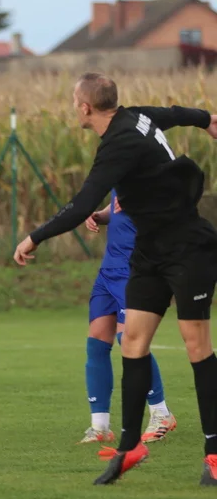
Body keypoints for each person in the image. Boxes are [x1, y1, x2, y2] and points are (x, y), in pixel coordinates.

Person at [12, 72, 217, 486]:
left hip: (186, 249)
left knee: (197, 346)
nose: (74, 108)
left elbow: (81, 203)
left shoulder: (118, 143)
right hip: (149, 252)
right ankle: (129, 447)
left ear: (85, 108)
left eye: (75, 102)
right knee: (134, 343)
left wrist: (34, 237)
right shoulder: (136, 117)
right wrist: (207, 118)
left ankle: (214, 453)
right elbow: (172, 113)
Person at [80, 190, 176, 445]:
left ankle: (161, 413)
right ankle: (99, 426)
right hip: (108, 269)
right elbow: (118, 207)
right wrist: (101, 215)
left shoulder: (151, 167)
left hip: (134, 267)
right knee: (97, 341)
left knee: (129, 339)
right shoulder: (120, 168)